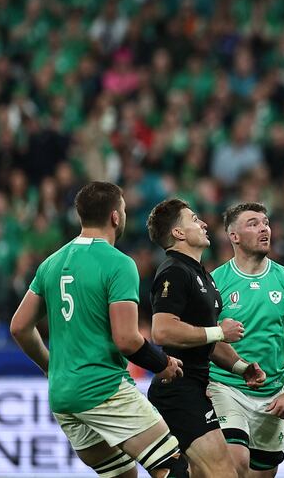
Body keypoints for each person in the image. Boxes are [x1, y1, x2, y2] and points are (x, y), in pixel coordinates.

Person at [10, 181, 188, 478]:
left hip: (63, 396)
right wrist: (163, 364)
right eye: (125, 209)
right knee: (172, 466)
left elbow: (19, 327)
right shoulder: (118, 263)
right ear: (115, 217)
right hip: (102, 389)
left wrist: (50, 366)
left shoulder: (51, 263)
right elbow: (127, 339)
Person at [146, 199, 266, 478]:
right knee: (224, 472)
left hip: (195, 385)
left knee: (197, 473)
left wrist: (240, 367)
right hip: (178, 388)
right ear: (178, 233)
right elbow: (162, 330)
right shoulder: (174, 271)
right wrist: (220, 331)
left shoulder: (203, 276)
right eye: (194, 218)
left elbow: (205, 341)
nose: (202, 223)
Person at [208, 202, 284, 477]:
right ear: (234, 236)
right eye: (252, 223)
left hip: (272, 395)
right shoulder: (215, 283)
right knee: (236, 462)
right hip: (226, 387)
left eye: (265, 222)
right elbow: (205, 339)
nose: (264, 228)